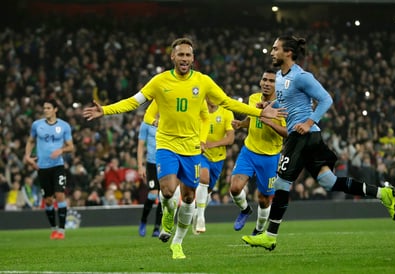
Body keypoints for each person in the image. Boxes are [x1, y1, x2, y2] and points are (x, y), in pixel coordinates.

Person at [83, 37, 287, 259]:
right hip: (167, 144)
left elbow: (228, 102)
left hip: (191, 149)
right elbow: (134, 101)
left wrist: (259, 113)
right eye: (180, 54)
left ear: (193, 59)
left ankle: (177, 243)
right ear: (173, 56)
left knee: (189, 197)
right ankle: (168, 214)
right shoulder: (160, 81)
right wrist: (105, 110)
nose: (184, 58)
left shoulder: (203, 81)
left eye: (188, 55)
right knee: (169, 190)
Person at [242, 35, 395, 251]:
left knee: (281, 183)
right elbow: (286, 99)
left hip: (302, 135)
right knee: (329, 182)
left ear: (288, 52)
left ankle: (269, 236)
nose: (271, 52)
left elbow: (326, 99)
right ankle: (382, 193)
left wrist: (308, 122)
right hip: (306, 137)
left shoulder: (302, 76)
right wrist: (268, 104)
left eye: (275, 48)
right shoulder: (279, 76)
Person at [230, 69, 287, 235]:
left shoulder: (283, 106)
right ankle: (245, 210)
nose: (267, 83)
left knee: (264, 199)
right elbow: (252, 119)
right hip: (249, 152)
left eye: (271, 81)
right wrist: (241, 124)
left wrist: (270, 122)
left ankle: (259, 229)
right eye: (265, 80)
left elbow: (287, 132)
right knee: (234, 188)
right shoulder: (253, 98)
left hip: (270, 157)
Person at [24, 98, 74, 240]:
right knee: (48, 200)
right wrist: (27, 156)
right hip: (42, 167)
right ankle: (53, 229)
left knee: (59, 195)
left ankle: (62, 231)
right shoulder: (37, 125)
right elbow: (30, 141)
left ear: (55, 109)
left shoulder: (64, 126)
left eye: (48, 108)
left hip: (57, 166)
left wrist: (62, 150)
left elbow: (71, 146)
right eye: (44, 108)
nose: (45, 110)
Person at [192, 98, 235, 234]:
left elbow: (230, 138)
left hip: (218, 158)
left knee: (208, 192)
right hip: (200, 153)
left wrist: (212, 144)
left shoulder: (226, 113)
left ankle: (197, 212)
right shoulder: (198, 109)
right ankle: (201, 218)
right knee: (203, 179)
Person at [137, 102, 162, 237]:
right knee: (153, 194)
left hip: (164, 162)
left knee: (164, 196)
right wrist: (140, 165)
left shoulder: (167, 121)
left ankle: (157, 227)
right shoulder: (146, 123)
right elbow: (140, 145)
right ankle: (143, 221)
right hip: (151, 163)